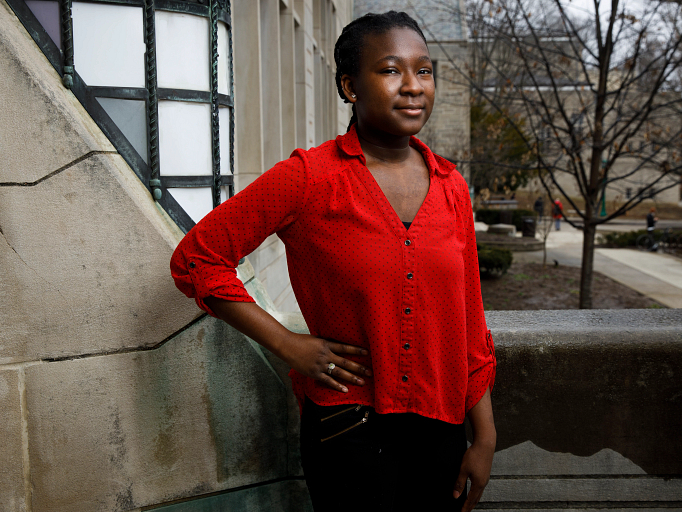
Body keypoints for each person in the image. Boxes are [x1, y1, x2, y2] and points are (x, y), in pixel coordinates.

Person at [170, 12, 496, 512]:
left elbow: (469, 319)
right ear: (350, 85)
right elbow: (198, 259)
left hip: (442, 435)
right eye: (390, 70)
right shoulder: (309, 178)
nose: (412, 87)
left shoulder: (451, 187)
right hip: (348, 432)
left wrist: (485, 436)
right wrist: (288, 344)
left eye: (424, 71)